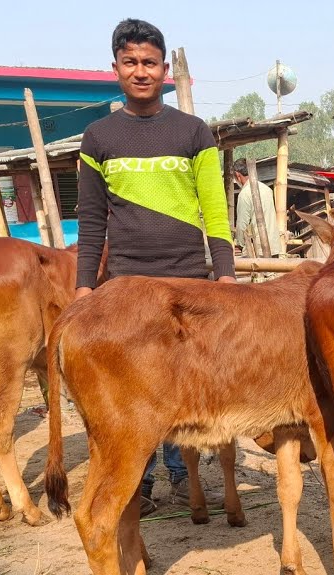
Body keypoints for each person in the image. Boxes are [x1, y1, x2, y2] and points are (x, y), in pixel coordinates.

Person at [74, 18, 235, 516]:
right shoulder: (98, 137)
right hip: (127, 283)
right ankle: (136, 485)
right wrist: (85, 286)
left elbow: (214, 207)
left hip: (189, 280)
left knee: (184, 382)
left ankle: (187, 477)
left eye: (149, 63)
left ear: (164, 70)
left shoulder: (193, 132)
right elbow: (91, 218)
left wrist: (225, 276)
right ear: (115, 69)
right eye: (130, 63)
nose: (140, 72)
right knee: (135, 387)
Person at [233, 160, 284, 256]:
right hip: (274, 246)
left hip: (258, 248)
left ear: (238, 175)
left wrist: (240, 243)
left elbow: (242, 225)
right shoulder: (267, 190)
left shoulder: (244, 194)